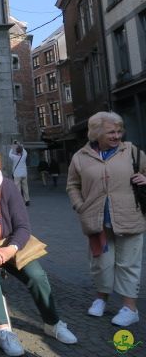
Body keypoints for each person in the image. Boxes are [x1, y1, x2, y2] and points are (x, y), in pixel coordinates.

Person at [0, 145, 77, 356]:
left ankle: (52, 323)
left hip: (10, 244)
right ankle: (3, 329)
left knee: (37, 275)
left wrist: (10, 249)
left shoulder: (9, 187)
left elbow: (23, 226)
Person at [66, 111, 146, 327]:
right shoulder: (80, 157)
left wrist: (145, 178)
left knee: (128, 264)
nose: (117, 135)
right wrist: (79, 206)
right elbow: (72, 185)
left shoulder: (132, 152)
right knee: (101, 263)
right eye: (111, 131)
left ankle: (130, 308)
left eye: (119, 131)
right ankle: (101, 299)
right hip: (96, 221)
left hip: (130, 217)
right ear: (96, 133)